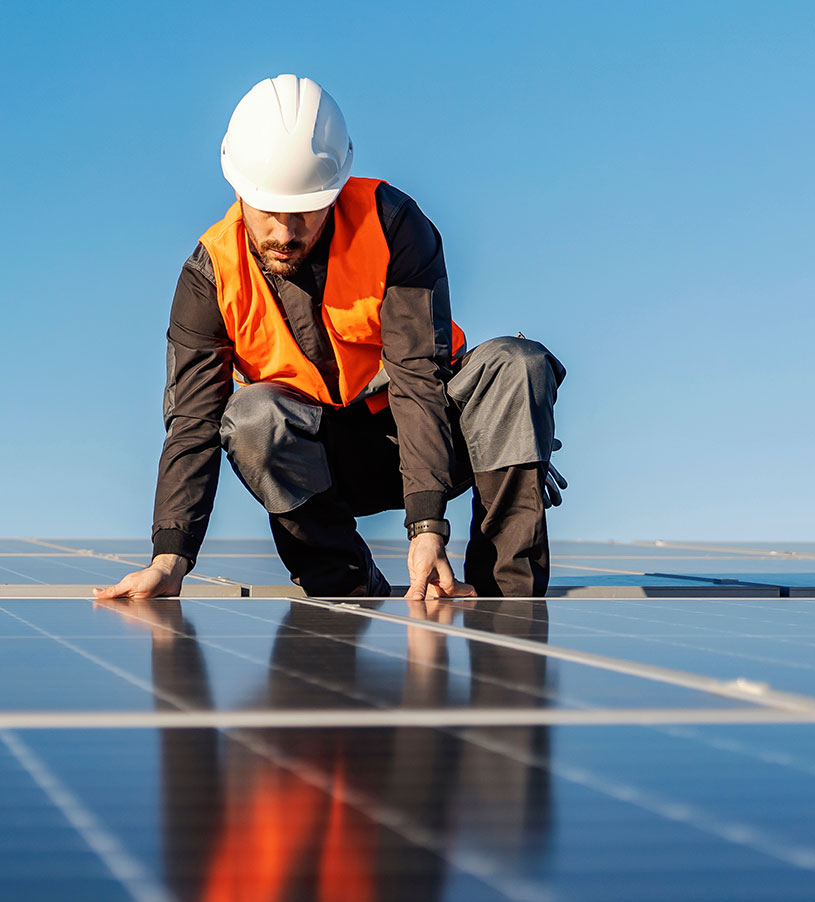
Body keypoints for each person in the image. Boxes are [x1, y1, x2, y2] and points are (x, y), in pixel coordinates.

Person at [96, 75, 565, 600]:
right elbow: (192, 424)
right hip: (322, 464)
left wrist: (428, 527)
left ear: (336, 190)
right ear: (240, 190)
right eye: (269, 210)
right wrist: (169, 559)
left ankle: (504, 594)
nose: (285, 231)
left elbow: (418, 375)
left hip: (432, 434)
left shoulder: (392, 225)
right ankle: (345, 584)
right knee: (250, 418)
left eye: (304, 210)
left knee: (516, 365)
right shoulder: (211, 277)